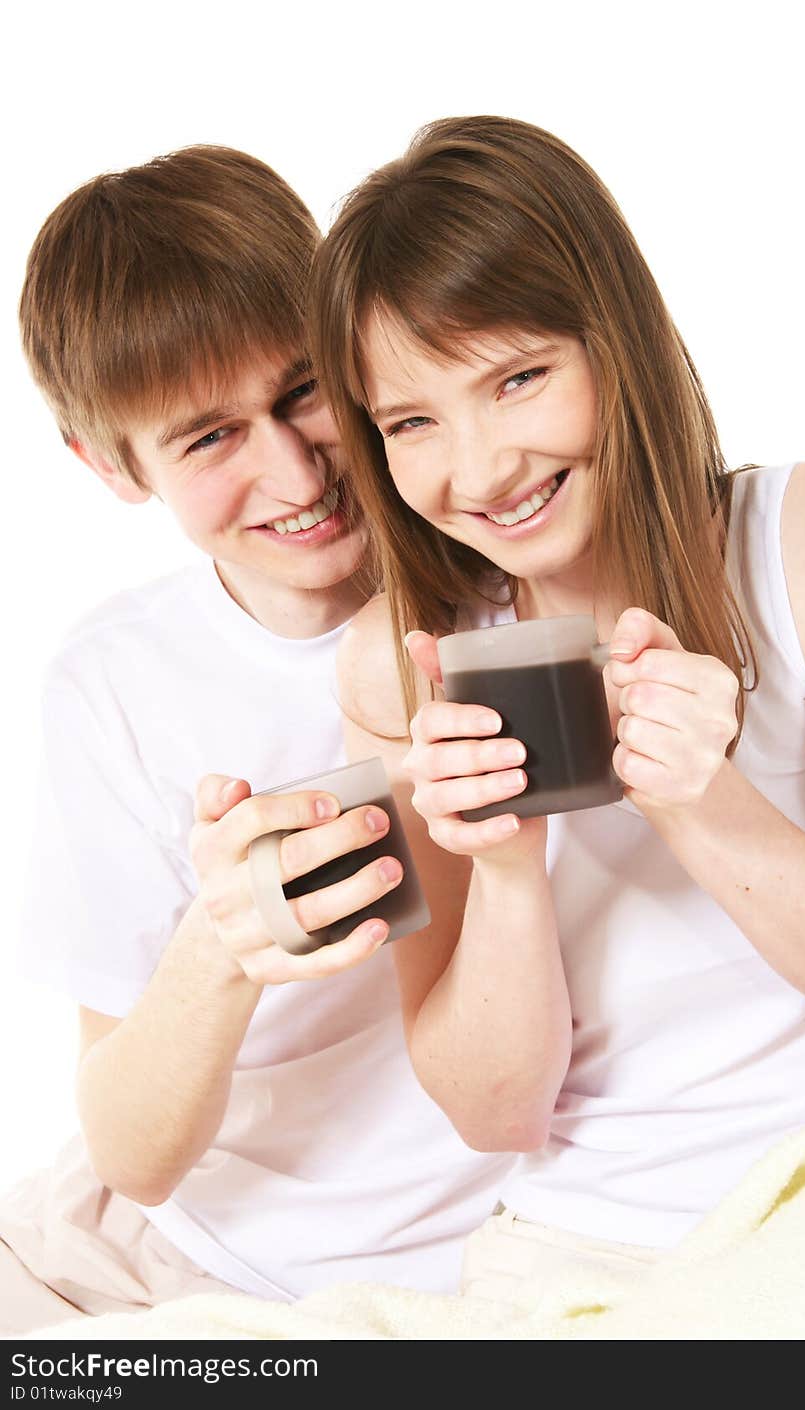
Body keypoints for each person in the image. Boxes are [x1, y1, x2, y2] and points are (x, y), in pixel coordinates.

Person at [310, 115, 805, 1311]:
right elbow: (492, 1111)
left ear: (613, 341)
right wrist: (505, 867)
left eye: (518, 378)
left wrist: (703, 805)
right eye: (411, 422)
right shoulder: (399, 666)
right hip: (578, 1250)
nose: (479, 469)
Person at [0, 145, 510, 1335]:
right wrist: (219, 948)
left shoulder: (514, 560)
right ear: (111, 466)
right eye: (208, 439)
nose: (293, 471)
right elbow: (133, 1153)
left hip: (491, 1243)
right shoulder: (110, 686)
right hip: (198, 1255)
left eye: (301, 393)